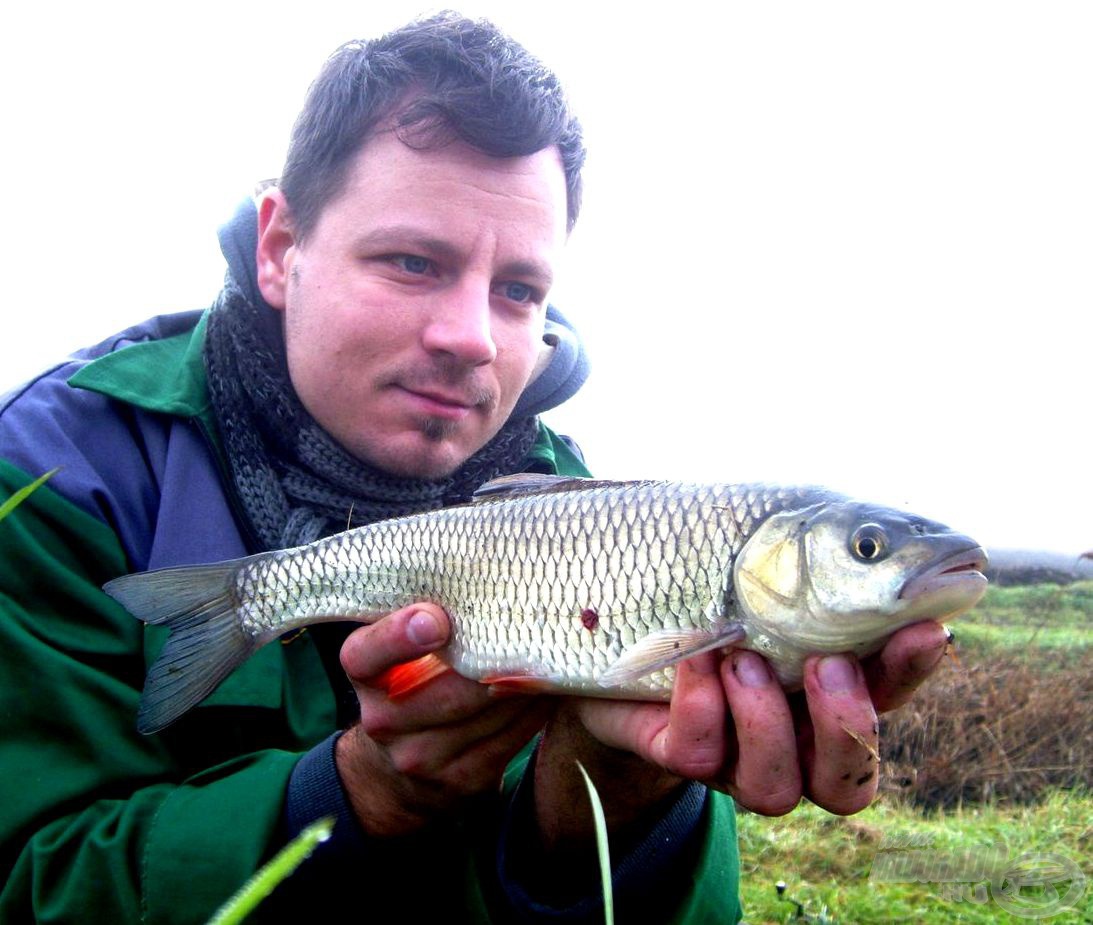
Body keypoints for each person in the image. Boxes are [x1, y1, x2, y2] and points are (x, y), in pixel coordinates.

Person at [0, 12, 949, 924]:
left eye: (519, 290)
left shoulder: (572, 496)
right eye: (413, 262)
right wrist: (350, 796)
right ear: (282, 248)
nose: (469, 338)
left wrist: (616, 788)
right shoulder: (57, 475)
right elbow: (25, 882)